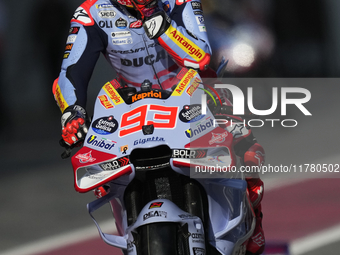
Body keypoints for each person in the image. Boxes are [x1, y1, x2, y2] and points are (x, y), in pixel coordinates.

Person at [52, 0, 264, 254]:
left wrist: (160, 22)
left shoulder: (178, 2)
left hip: (192, 90)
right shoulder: (90, 12)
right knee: (101, 171)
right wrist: (72, 112)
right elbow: (70, 72)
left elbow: (200, 55)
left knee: (248, 149)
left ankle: (254, 226)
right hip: (130, 103)